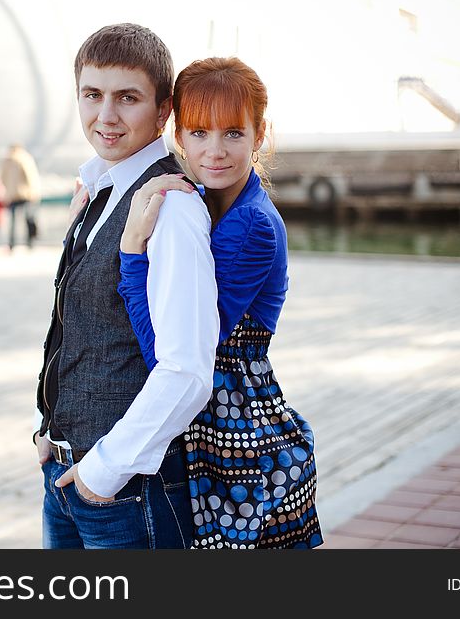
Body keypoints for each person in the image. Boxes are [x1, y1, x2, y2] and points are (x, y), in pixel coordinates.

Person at [116, 57, 323, 549]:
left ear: (260, 133)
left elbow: (172, 354)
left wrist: (131, 259)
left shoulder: (249, 225)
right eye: (199, 132)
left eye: (233, 132)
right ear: (178, 135)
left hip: (242, 451)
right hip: (221, 437)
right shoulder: (212, 202)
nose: (214, 151)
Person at [34, 23, 219, 549]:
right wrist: (44, 428)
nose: (106, 115)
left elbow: (186, 368)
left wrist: (103, 473)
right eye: (92, 95)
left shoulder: (172, 207)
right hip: (66, 475)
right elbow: (73, 325)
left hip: (125, 493)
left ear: (163, 111)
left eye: (127, 98)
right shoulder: (98, 185)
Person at [0, 144, 41, 250]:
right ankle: (30, 243)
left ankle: (11, 244)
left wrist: (7, 190)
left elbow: (2, 178)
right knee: (28, 218)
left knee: (12, 221)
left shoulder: (6, 161)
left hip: (12, 195)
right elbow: (30, 177)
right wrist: (34, 192)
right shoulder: (25, 158)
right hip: (25, 194)